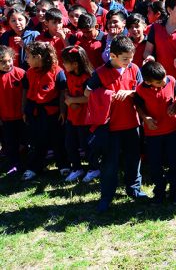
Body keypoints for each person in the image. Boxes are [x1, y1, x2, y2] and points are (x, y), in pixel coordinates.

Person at [85, 35, 146, 212]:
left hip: (131, 123)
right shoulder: (100, 73)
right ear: (113, 56)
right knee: (110, 163)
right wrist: (109, 95)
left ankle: (134, 189)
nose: (129, 62)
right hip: (110, 126)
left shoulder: (134, 69)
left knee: (133, 158)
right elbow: (88, 93)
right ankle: (106, 196)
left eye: (131, 58)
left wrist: (129, 92)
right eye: (125, 59)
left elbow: (142, 91)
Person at [134, 61, 176, 205]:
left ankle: (175, 192)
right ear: (148, 82)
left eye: (164, 78)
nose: (163, 82)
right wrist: (145, 118)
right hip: (153, 133)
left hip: (173, 130)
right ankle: (159, 192)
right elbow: (138, 106)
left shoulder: (171, 81)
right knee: (155, 165)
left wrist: (175, 105)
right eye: (158, 82)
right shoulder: (141, 90)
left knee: (175, 163)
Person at [21, 41, 68, 181]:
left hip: (53, 111)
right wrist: (23, 109)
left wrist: (63, 110)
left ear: (39, 57)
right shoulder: (29, 72)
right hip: (35, 111)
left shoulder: (57, 71)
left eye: (28, 56)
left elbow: (62, 91)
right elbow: (25, 91)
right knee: (37, 140)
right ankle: (34, 167)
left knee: (57, 139)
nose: (26, 59)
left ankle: (63, 165)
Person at [60, 45, 95, 183]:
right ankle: (76, 168)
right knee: (70, 143)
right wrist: (68, 100)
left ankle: (94, 168)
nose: (63, 64)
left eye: (65, 62)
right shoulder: (68, 74)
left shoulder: (88, 77)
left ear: (75, 64)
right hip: (72, 116)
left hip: (85, 117)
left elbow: (89, 97)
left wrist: (73, 101)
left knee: (86, 144)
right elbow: (66, 90)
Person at [143, 0, 176, 79]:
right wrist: (149, 57)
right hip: (160, 78)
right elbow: (147, 51)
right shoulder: (155, 27)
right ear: (169, 10)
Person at [0, 45, 26, 175]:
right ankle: (14, 164)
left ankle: (27, 163)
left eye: (9, 60)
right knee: (10, 143)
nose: (7, 64)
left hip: (22, 116)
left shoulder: (21, 73)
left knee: (25, 141)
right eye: (3, 62)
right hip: (6, 118)